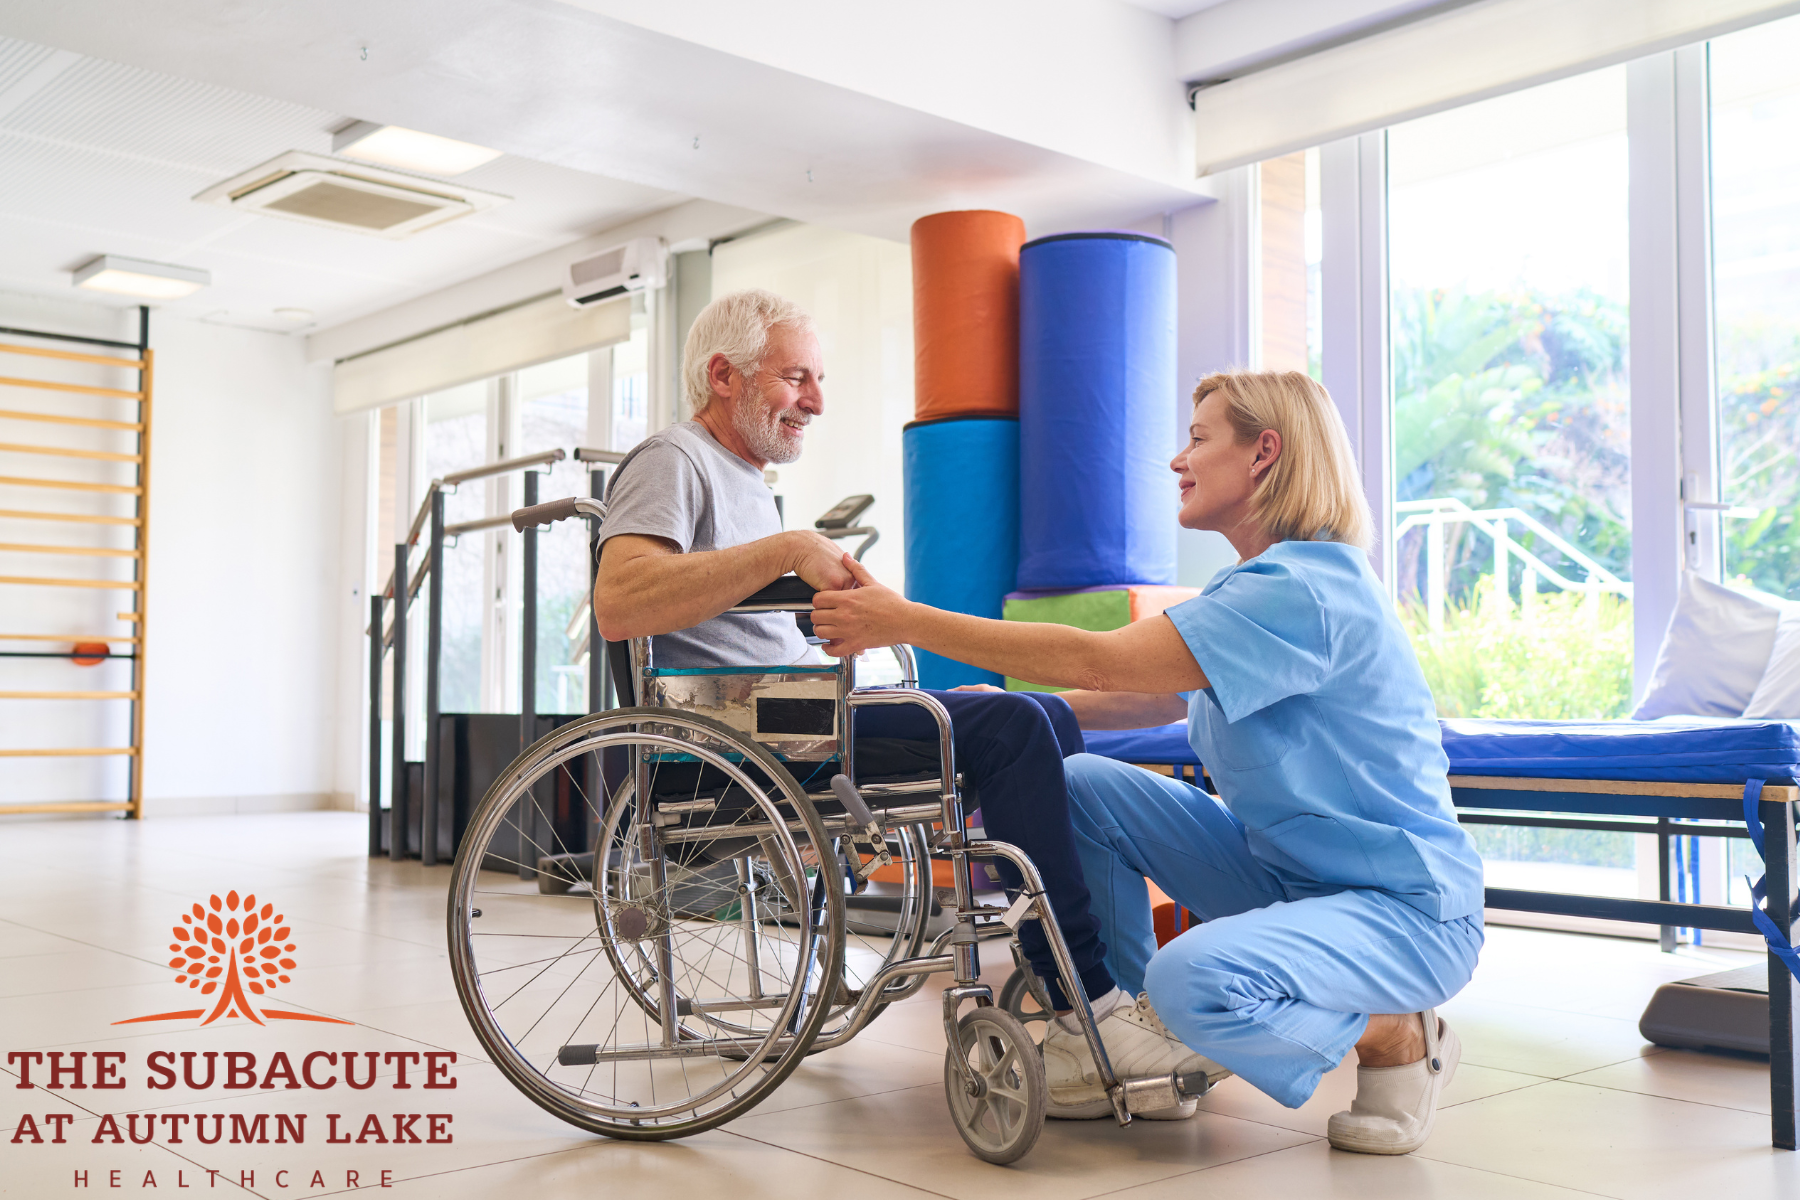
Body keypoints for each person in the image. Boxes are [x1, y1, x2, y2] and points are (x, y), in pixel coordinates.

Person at [810, 369, 1485, 1155]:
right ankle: (1116, 1044)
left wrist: (904, 619)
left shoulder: (1305, 591)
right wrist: (1000, 719)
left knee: (1191, 982)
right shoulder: (1252, 586)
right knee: (1075, 783)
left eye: (1199, 439)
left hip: (1401, 907)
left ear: (1264, 452)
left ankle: (1397, 1033)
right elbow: (1135, 700)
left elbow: (1102, 662)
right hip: (1290, 878)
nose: (1177, 459)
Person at [593, 289, 1216, 1119]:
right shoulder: (674, 458)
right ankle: (1082, 1002)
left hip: (793, 718)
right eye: (797, 378)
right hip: (746, 740)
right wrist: (790, 548)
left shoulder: (741, 479)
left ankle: (1107, 717)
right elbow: (621, 601)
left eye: (818, 380)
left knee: (1015, 717)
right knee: (1008, 725)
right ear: (722, 376)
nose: (816, 400)